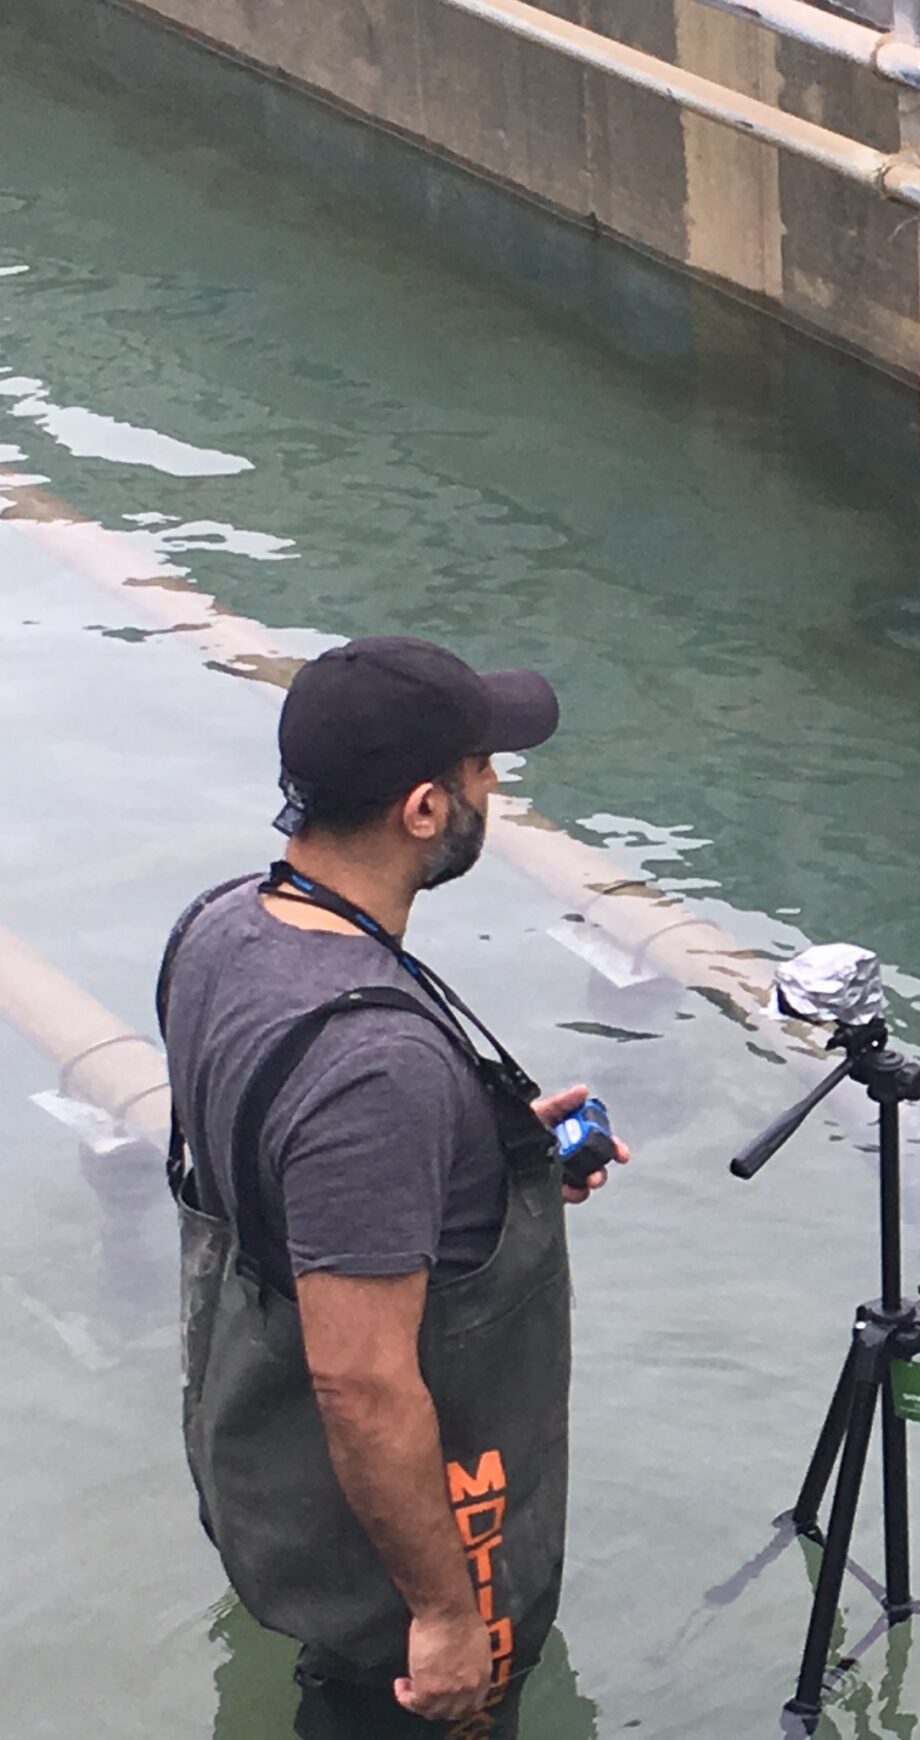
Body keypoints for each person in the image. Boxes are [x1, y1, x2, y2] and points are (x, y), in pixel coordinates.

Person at [157, 636, 628, 1737]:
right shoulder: (378, 1070)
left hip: (275, 1503)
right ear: (423, 809)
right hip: (402, 1583)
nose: (493, 787)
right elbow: (361, 1383)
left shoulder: (223, 927)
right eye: (479, 770)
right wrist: (446, 1619)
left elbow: (278, 1171)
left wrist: (480, 1150)